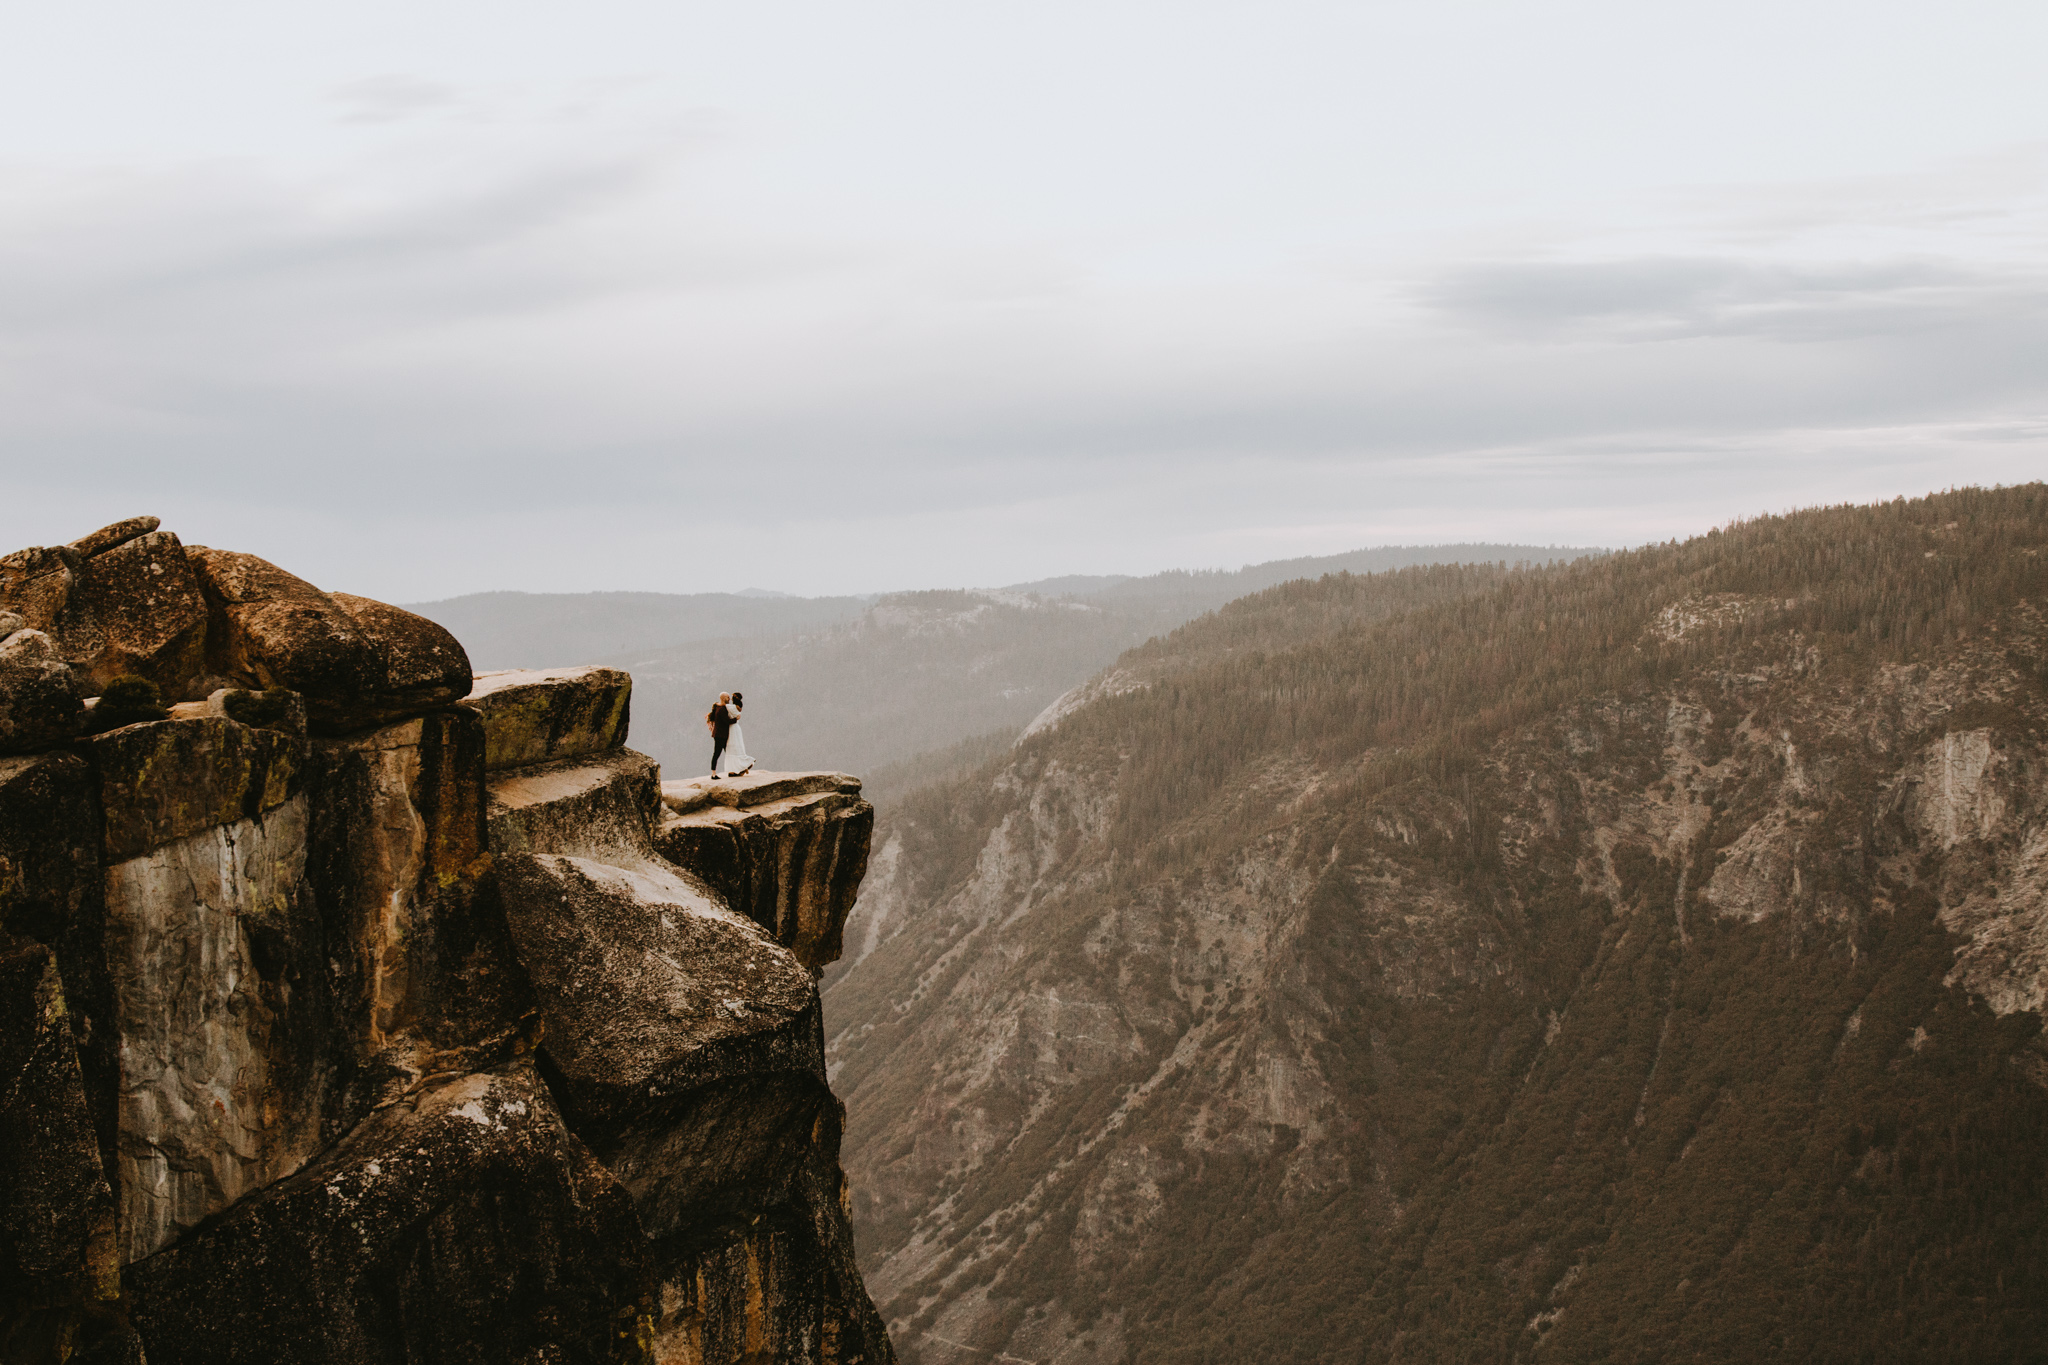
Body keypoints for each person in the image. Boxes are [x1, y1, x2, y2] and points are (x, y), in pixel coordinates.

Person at [722, 691, 755, 777]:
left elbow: (722, 704)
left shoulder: (730, 707)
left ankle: (738, 767)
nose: (729, 699)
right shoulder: (737, 707)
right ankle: (741, 766)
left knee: (732, 748)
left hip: (732, 728)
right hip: (736, 728)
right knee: (737, 747)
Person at [706, 692, 734, 776]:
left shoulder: (717, 707)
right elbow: (727, 721)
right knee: (720, 753)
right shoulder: (722, 709)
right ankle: (715, 773)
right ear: (723, 698)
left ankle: (717, 772)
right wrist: (736, 719)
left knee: (721, 753)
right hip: (721, 735)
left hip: (718, 734)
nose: (729, 699)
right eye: (727, 697)